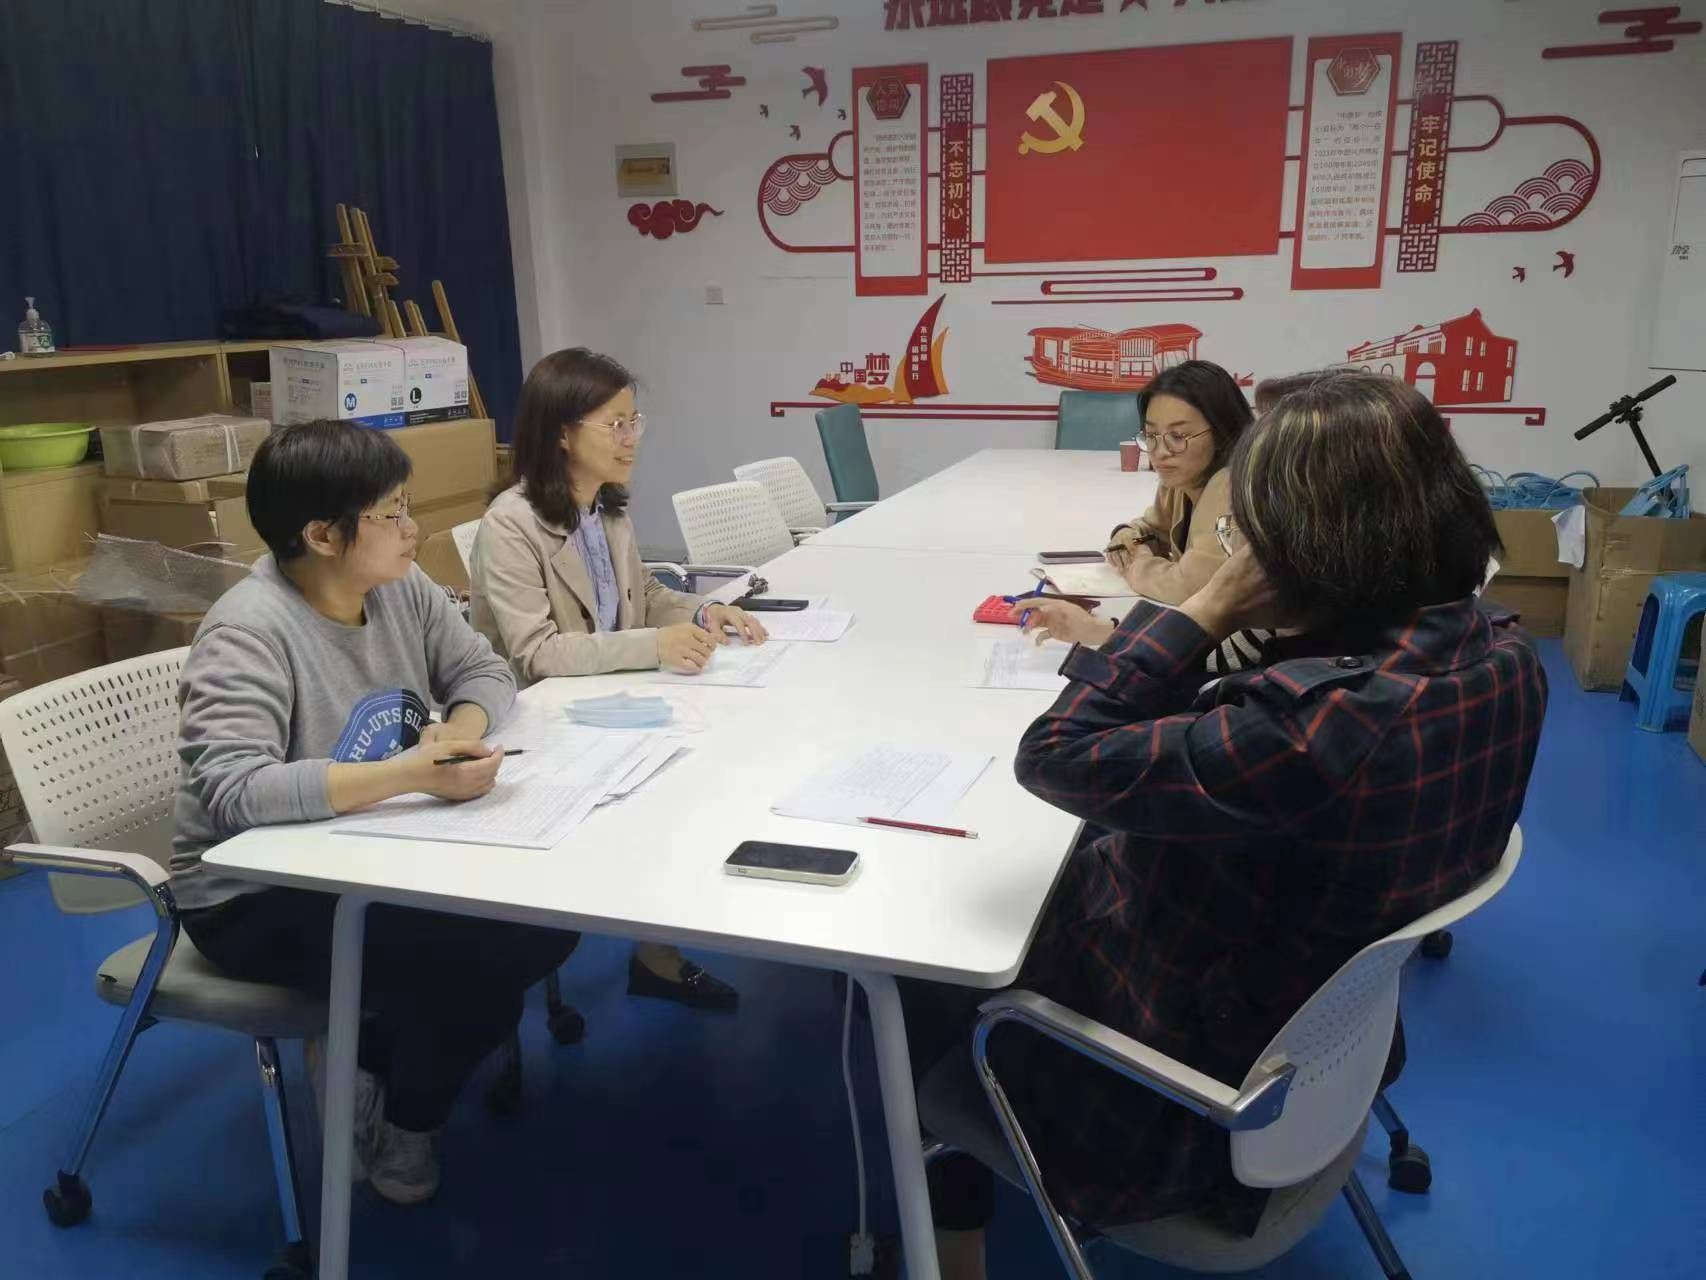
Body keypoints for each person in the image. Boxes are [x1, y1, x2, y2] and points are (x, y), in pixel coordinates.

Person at [908, 372, 1547, 1280]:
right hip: (1327, 1047)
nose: (1236, 547)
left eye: (1247, 530)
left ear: (1311, 545)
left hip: (1185, 1107)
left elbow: (1055, 754)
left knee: (918, 962)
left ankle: (949, 1246)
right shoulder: (1504, 654)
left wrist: (1201, 609)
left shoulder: (1310, 730)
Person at [173, 420, 580, 1206]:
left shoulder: (400, 587)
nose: (411, 528)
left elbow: (482, 669)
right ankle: (401, 1118)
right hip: (251, 894)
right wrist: (404, 775)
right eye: (391, 513)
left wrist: (457, 734)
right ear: (323, 535)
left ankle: (370, 1048)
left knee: (548, 923)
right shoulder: (248, 630)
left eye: (407, 506)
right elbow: (233, 793)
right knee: (479, 961)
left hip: (374, 847)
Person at [470, 347, 766, 1011]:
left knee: (717, 760)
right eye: (616, 425)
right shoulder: (511, 523)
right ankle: (656, 948)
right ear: (561, 434)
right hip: (541, 724)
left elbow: (643, 597)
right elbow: (537, 653)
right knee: (684, 778)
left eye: (636, 422)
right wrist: (654, 645)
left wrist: (705, 611)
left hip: (610, 702)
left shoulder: (606, 511)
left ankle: (658, 950)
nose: (632, 438)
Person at [1022, 360, 1266, 671]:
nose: (1160, 452)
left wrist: (1134, 564)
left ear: (1221, 433)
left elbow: (1188, 587)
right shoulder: (1182, 477)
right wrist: (1124, 535)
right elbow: (1150, 529)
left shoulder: (1231, 484)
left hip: (1238, 662)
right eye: (1151, 435)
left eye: (1178, 436)